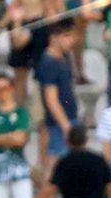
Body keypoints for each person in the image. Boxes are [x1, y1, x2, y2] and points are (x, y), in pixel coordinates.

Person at [34, 124, 111, 198]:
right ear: (86, 139)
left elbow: (50, 189)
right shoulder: (98, 160)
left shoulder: (64, 163)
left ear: (67, 141)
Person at [34, 19, 79, 170]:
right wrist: (65, 125)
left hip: (69, 119)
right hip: (60, 124)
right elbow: (51, 99)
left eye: (71, 36)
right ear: (53, 38)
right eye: (66, 36)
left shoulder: (64, 57)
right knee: (54, 167)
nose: (70, 41)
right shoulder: (49, 62)